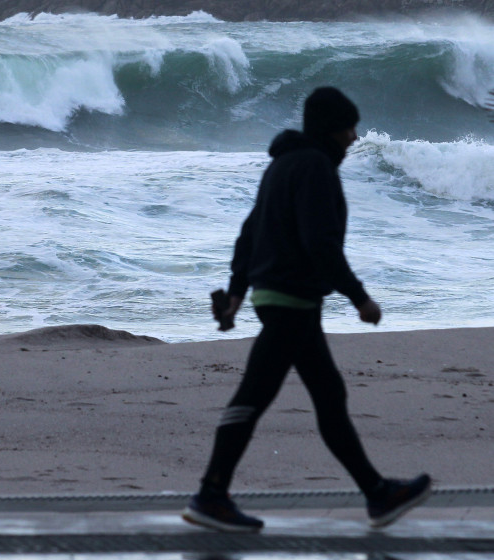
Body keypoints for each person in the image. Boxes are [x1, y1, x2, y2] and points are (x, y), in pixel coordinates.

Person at [181, 87, 431, 533]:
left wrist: (236, 295)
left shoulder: (282, 165)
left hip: (280, 298)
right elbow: (320, 243)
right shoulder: (315, 167)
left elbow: (248, 232)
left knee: (328, 397)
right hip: (290, 299)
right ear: (331, 130)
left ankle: (377, 495)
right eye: (349, 128)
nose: (355, 138)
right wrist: (360, 298)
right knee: (254, 398)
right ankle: (211, 495)